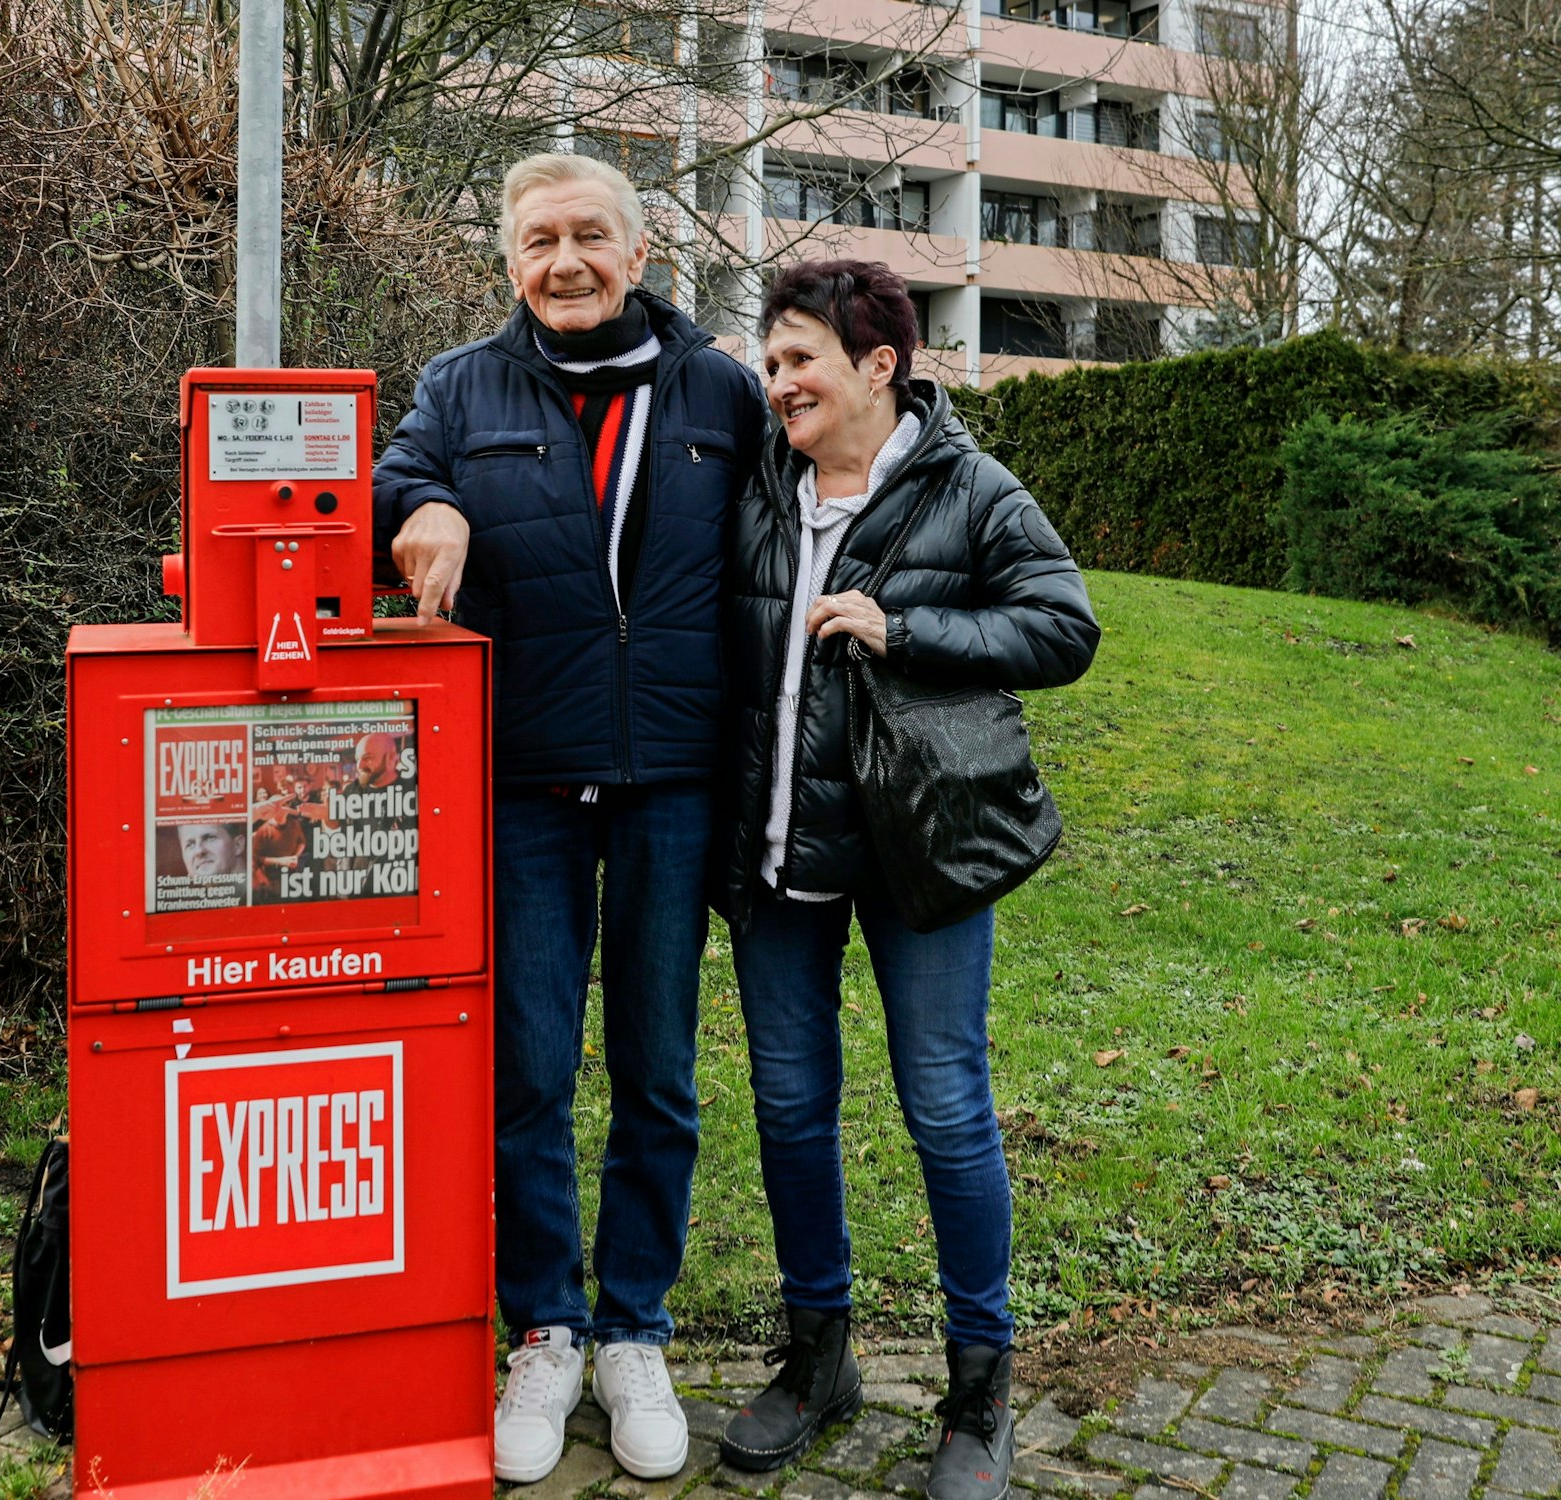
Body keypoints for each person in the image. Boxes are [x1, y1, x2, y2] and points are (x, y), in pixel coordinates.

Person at [373, 151, 767, 1485]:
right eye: (538, 241)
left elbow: (818, 500)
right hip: (525, 780)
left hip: (669, 776)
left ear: (639, 251)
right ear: (509, 263)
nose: (564, 263)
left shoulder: (719, 387)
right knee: (528, 1070)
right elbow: (383, 485)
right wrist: (420, 505)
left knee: (657, 1070)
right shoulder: (459, 386)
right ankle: (544, 1327)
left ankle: (634, 1330)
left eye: (588, 236)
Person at [713, 260, 1099, 1494]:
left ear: (879, 366)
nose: (778, 385)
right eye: (769, 365)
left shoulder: (967, 486)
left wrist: (906, 626)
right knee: (788, 1108)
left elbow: (1062, 626)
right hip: (778, 854)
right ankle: (818, 1357)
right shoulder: (759, 485)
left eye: (799, 361)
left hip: (917, 854)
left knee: (942, 1110)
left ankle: (978, 1394)